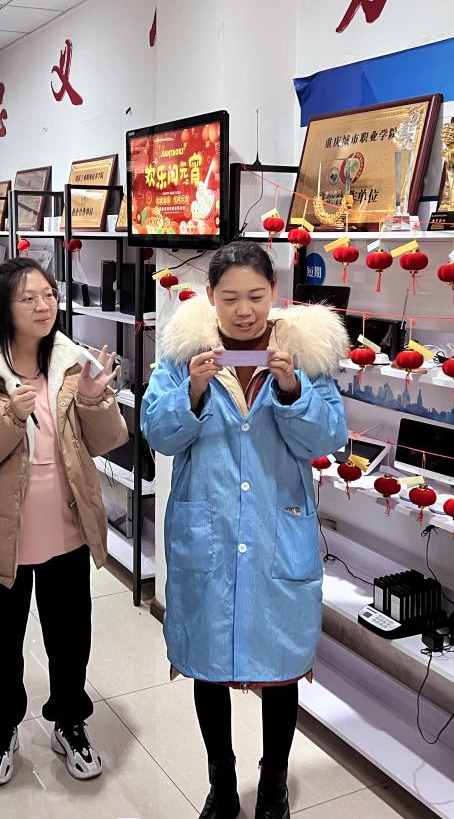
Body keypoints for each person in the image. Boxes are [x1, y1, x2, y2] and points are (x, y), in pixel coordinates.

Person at [141, 241, 348, 819]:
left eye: (255, 296)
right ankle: (222, 786)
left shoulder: (304, 355)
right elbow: (158, 434)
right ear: (210, 296)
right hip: (207, 533)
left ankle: (273, 786)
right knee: (208, 665)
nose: (243, 310)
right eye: (230, 297)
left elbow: (328, 438)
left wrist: (292, 391)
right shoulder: (182, 355)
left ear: (273, 293)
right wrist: (192, 392)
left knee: (281, 669)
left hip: (276, 531)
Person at [0, 258, 127, 787]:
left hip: (66, 527)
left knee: (71, 635)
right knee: (0, 641)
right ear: (4, 307)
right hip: (1, 535)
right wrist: (8, 415)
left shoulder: (71, 364)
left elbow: (107, 441)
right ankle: (1, 728)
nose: (44, 306)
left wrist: (95, 401)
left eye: (49, 295)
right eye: (29, 298)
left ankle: (70, 721)